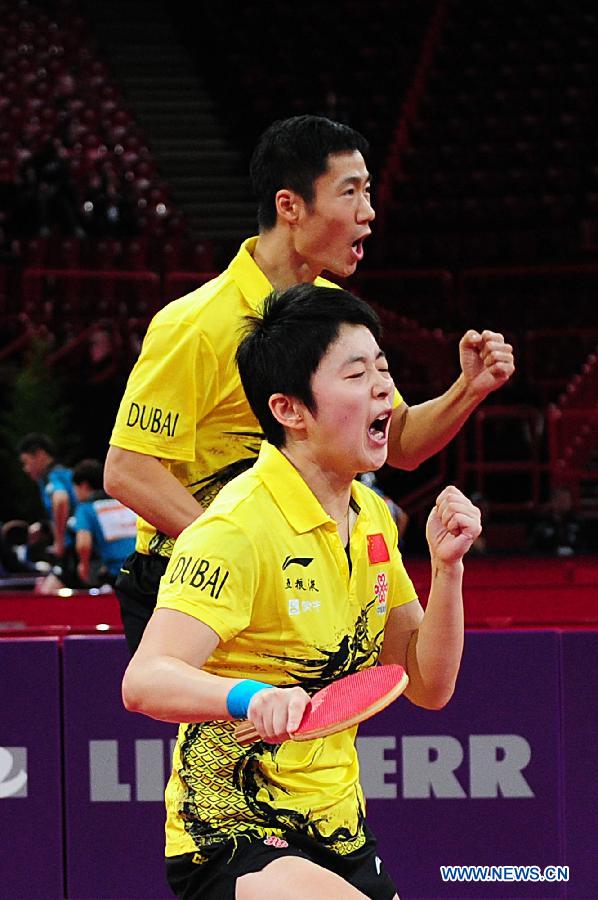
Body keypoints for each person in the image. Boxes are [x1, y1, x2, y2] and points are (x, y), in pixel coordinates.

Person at [122, 285, 482, 900]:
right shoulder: (236, 527)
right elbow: (145, 680)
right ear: (290, 409)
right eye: (356, 372)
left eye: (383, 369)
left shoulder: (369, 515)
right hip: (233, 837)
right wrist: (246, 696)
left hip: (339, 831)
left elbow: (427, 684)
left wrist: (447, 572)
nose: (381, 390)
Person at [106, 114, 512, 653]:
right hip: (194, 581)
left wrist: (469, 388)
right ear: (290, 206)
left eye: (367, 192)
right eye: (350, 193)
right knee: (231, 735)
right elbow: (129, 469)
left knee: (302, 732)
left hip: (296, 572)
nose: (368, 213)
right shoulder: (195, 325)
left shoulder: (335, 319)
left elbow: (401, 443)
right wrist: (234, 551)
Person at [72, 458, 137, 586]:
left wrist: (83, 567)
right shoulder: (124, 502)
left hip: (116, 573)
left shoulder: (86, 509)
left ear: (83, 486)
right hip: (143, 567)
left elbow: (83, 544)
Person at [17, 432, 77, 568]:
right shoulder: (65, 474)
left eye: (25, 462)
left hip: (76, 547)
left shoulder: (53, 477)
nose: (25, 469)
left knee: (47, 588)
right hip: (82, 544)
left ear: (39, 454)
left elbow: (61, 501)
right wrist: (44, 528)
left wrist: (59, 541)